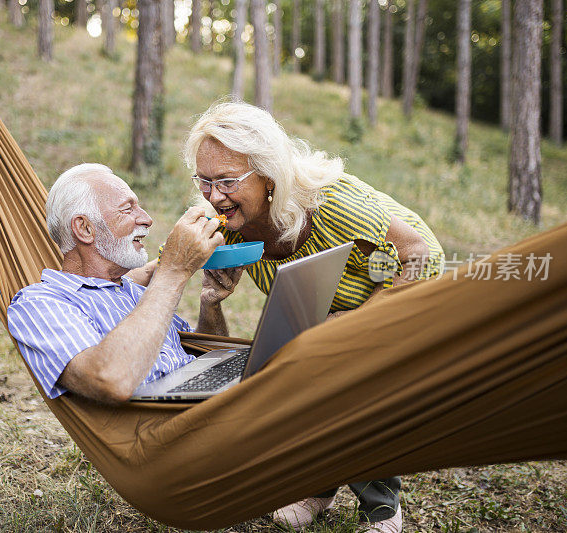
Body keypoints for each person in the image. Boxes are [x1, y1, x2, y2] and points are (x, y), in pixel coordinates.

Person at [182, 102, 446, 532]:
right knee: (294, 369)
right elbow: (164, 266)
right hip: (327, 302)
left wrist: (360, 323)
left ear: (268, 178)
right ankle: (320, 485)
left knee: (346, 367)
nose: (214, 195)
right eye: (205, 181)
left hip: (401, 276)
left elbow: (412, 253)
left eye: (227, 181)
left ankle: (380, 504)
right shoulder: (224, 221)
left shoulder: (332, 204)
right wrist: (210, 300)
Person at [6, 163, 241, 404]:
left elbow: (206, 361)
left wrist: (210, 304)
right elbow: (111, 379)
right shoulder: (40, 303)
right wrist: (173, 271)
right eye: (128, 209)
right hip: (170, 429)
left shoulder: (136, 292)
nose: (147, 219)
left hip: (216, 405)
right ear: (85, 228)